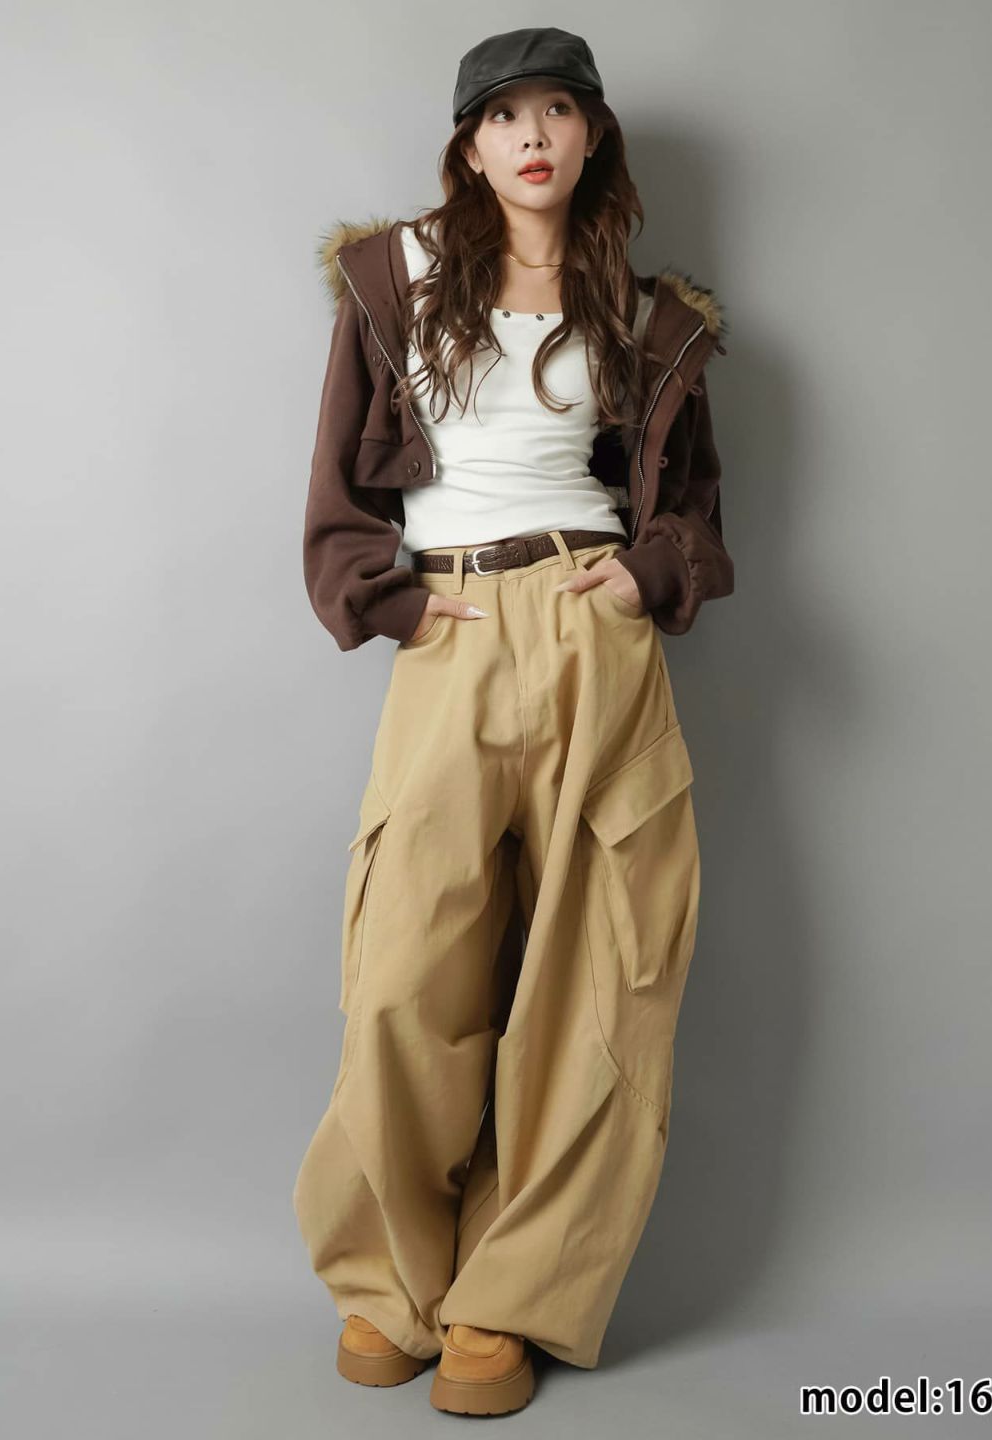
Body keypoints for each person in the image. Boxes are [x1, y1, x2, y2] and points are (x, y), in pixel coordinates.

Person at [292, 26, 734, 1417]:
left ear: (591, 136)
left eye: (557, 110)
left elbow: (692, 509)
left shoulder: (648, 315)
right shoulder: (397, 279)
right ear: (470, 147)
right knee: (405, 968)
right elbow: (338, 491)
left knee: (599, 980)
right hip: (455, 630)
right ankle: (391, 1285)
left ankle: (510, 1300)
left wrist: (648, 573)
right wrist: (392, 603)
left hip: (596, 632)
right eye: (505, 116)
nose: (533, 135)